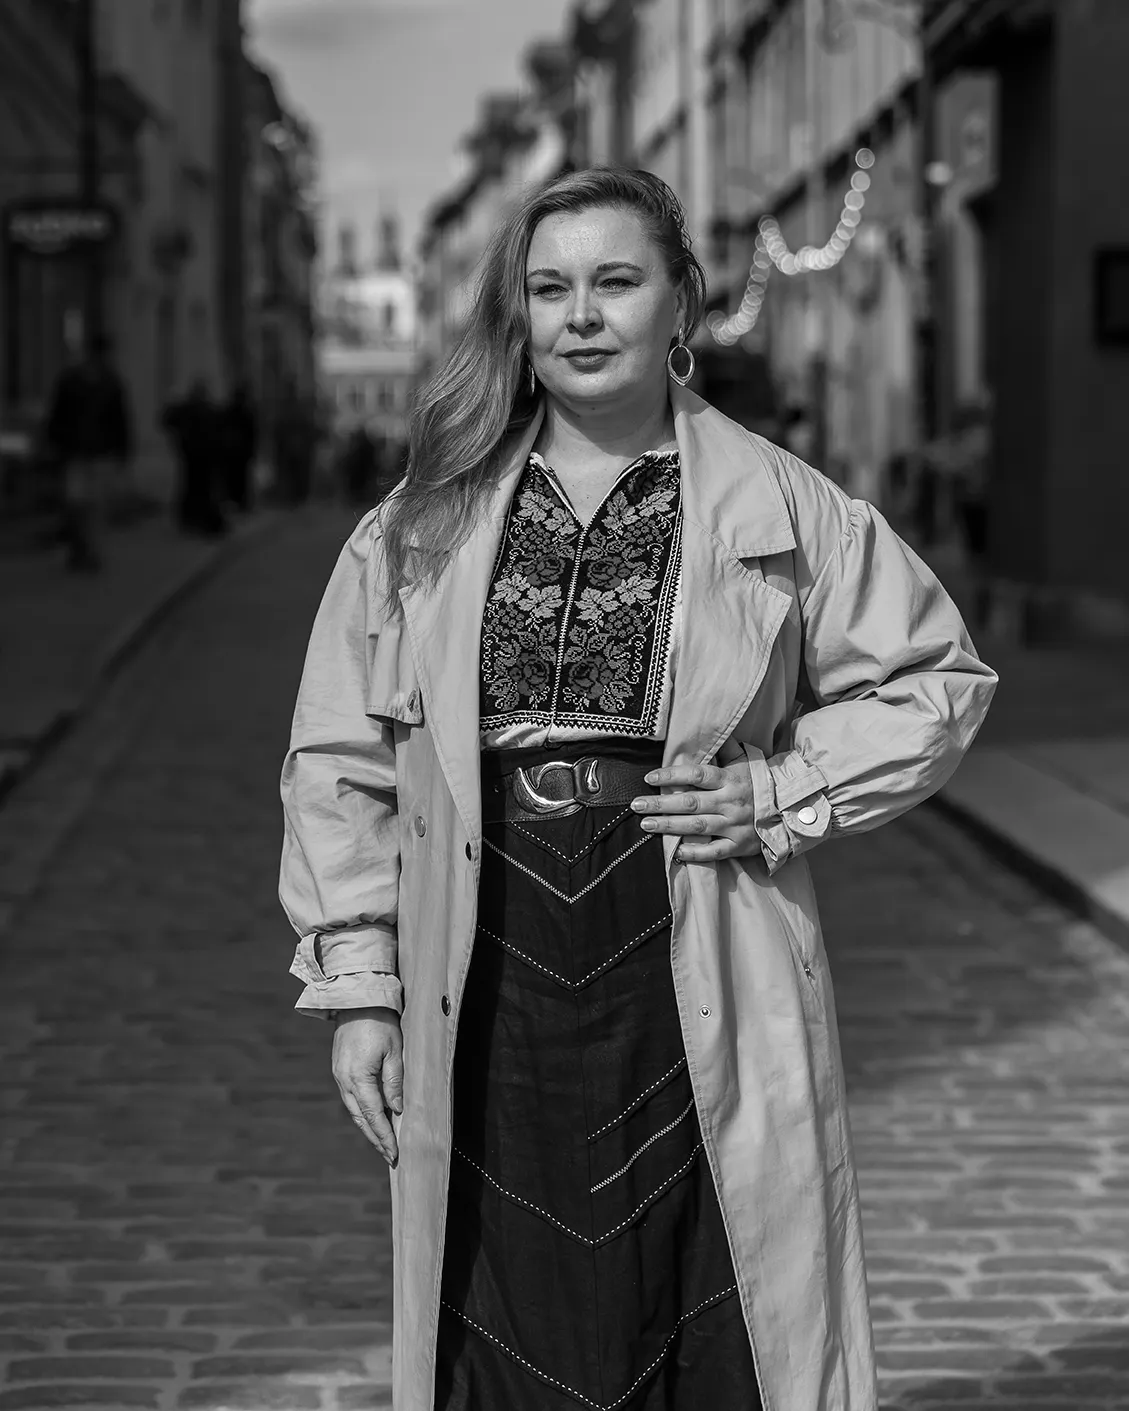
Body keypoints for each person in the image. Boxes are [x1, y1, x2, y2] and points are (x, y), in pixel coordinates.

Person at [279, 169, 997, 1411]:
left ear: (681, 303)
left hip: (690, 934)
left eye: (616, 282)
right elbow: (339, 760)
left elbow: (937, 678)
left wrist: (778, 789)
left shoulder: (781, 502)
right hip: (487, 948)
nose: (582, 316)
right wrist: (360, 986)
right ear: (518, 312)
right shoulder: (422, 522)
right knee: (498, 1300)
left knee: (707, 1288)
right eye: (550, 289)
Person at [44, 333, 133, 572]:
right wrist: (55, 444)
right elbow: (57, 414)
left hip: (101, 453)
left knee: (95, 505)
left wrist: (123, 452)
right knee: (75, 503)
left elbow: (121, 420)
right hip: (75, 452)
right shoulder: (70, 380)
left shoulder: (112, 383)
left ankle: (91, 552)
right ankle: (79, 548)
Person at [161, 381, 226, 536]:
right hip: (193, 457)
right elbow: (168, 421)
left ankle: (197, 521)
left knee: (197, 489)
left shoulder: (203, 410)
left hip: (201, 458)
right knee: (194, 489)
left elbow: (216, 432)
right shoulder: (190, 409)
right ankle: (193, 521)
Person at [217, 380, 258, 513]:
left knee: (238, 479)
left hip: (238, 453)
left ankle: (239, 502)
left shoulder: (243, 412)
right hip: (235, 453)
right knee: (236, 479)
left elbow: (252, 433)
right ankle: (237, 502)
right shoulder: (240, 412)